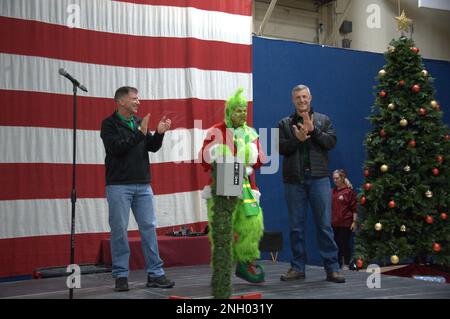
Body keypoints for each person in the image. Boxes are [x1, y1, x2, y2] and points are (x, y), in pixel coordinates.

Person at [100, 86, 174, 292]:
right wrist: (140, 133)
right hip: (119, 186)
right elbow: (117, 148)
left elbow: (151, 146)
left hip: (143, 184)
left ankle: (155, 273)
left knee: (149, 227)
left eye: (138, 99)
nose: (138, 102)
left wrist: (158, 134)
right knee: (119, 231)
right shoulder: (109, 124)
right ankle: (121, 275)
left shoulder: (139, 122)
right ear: (121, 101)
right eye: (134, 99)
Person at [278, 84, 345, 283]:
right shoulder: (283, 123)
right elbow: (279, 148)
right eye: (298, 97)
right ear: (293, 100)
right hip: (294, 181)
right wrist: (297, 139)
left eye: (304, 96)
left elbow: (330, 142)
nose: (302, 100)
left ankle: (332, 268)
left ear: (311, 98)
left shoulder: (323, 120)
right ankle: (298, 268)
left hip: (319, 179)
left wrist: (313, 130)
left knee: (324, 226)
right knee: (296, 228)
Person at [200, 88, 266, 283]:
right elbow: (203, 160)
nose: (243, 113)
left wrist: (251, 153)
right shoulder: (216, 131)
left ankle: (246, 264)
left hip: (247, 187)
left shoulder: (251, 134)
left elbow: (261, 160)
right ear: (229, 112)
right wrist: (216, 153)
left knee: (251, 226)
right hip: (223, 182)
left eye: (245, 110)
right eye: (238, 110)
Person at [331, 169, 357, 269]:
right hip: (334, 223)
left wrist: (354, 222)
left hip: (345, 224)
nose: (335, 180)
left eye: (337, 178)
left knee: (344, 245)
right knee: (335, 245)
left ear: (342, 178)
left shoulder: (348, 192)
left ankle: (346, 263)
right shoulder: (332, 192)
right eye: (333, 178)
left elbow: (354, 209)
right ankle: (337, 264)